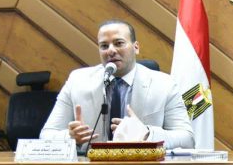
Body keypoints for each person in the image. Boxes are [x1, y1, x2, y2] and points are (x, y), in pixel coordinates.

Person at [40, 20, 194, 149]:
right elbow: (47, 134)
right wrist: (70, 137)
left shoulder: (164, 84)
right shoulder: (77, 81)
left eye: (119, 43)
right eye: (104, 46)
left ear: (136, 47)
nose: (111, 51)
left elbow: (187, 139)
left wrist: (147, 134)